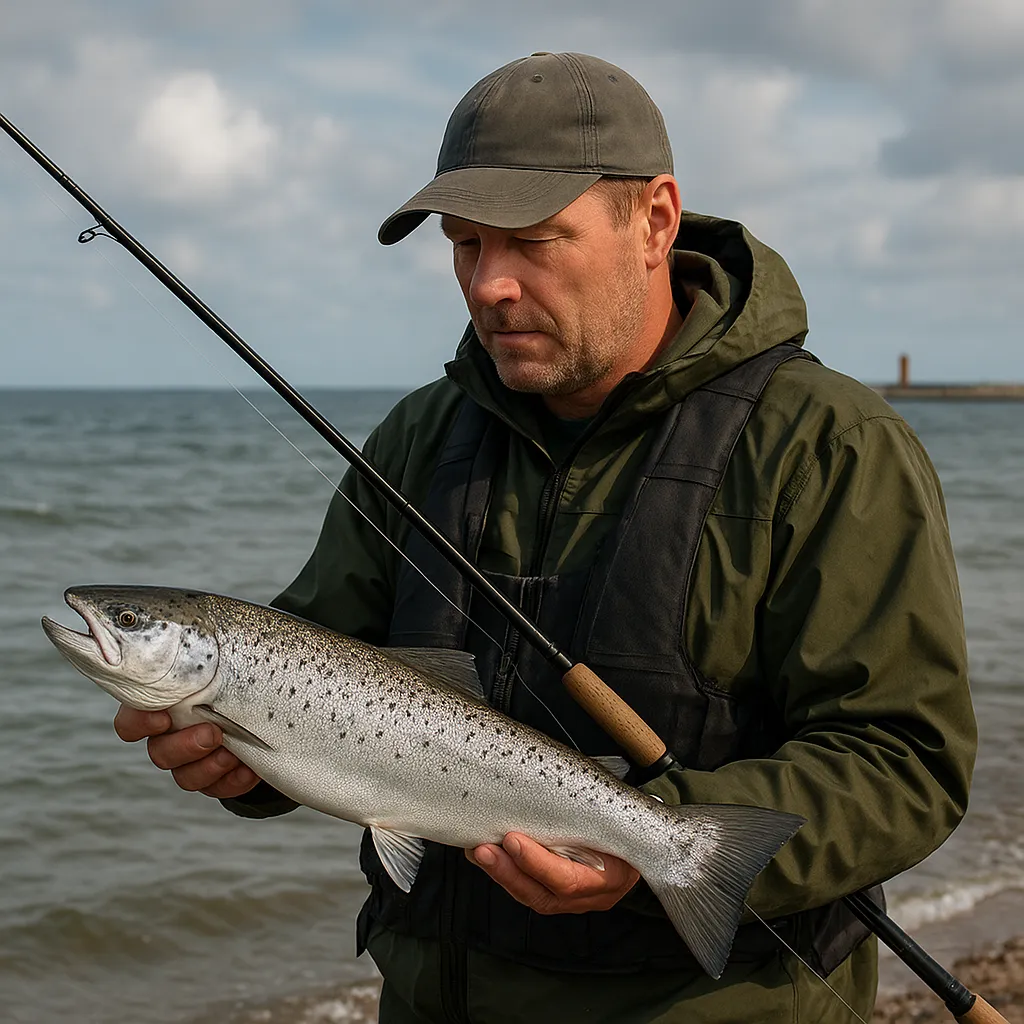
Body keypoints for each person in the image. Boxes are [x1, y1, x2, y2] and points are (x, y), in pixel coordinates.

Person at [114, 52, 977, 1022]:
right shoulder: (417, 436)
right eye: (465, 244)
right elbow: (313, 672)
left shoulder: (831, 448)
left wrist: (666, 848)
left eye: (531, 241)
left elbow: (904, 759)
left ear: (653, 221)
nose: (488, 285)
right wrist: (241, 764)